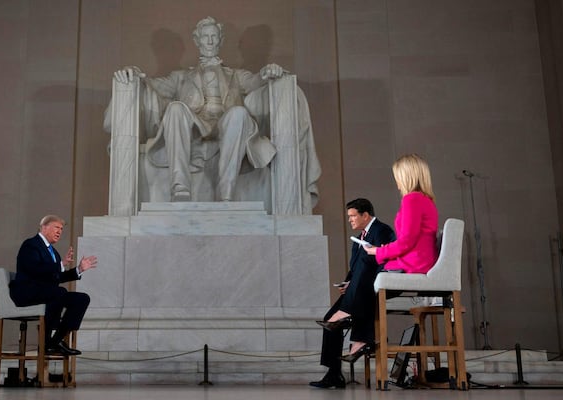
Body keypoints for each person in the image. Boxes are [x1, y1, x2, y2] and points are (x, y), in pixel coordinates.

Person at [111, 16, 319, 203]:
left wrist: (269, 71)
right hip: (193, 128)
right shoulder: (181, 77)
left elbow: (257, 81)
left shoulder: (236, 75)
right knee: (175, 108)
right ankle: (180, 187)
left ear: (220, 41)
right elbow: (152, 84)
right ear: (197, 41)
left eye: (214, 37)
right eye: (205, 37)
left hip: (226, 127)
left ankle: (226, 191)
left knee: (239, 113)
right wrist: (135, 73)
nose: (210, 41)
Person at [310, 198, 395, 389]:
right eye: (348, 217)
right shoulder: (359, 237)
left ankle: (362, 335)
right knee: (329, 320)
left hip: (371, 288)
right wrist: (347, 282)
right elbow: (355, 268)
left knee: (335, 320)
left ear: (365, 215)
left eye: (352, 216)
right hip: (356, 289)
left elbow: (381, 261)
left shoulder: (382, 231)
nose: (350, 220)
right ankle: (334, 374)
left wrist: (355, 283)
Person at [9, 215, 98, 356]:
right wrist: (60, 264)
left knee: (81, 299)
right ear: (44, 227)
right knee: (58, 292)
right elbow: (34, 269)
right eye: (56, 227)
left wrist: (78, 269)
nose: (59, 232)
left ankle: (55, 341)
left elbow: (56, 277)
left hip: (46, 293)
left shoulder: (53, 252)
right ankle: (45, 341)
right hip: (26, 292)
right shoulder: (31, 244)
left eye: (61, 229)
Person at [364, 154, 439, 273]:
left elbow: (407, 241)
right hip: (423, 260)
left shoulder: (412, 199)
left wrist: (379, 251)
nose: (398, 185)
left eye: (398, 178)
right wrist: (385, 250)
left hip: (415, 262)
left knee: (367, 268)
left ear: (406, 178)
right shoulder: (426, 200)